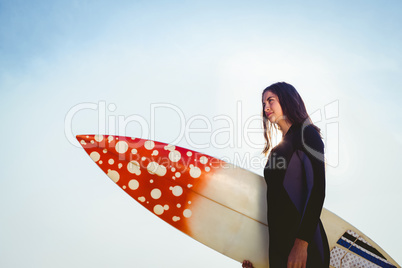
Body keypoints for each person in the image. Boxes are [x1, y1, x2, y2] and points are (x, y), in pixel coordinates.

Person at [243, 82, 330, 268]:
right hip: (279, 247)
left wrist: (301, 244)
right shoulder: (276, 150)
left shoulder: (307, 135)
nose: (266, 107)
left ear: (287, 100)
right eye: (263, 102)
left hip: (305, 248)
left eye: (270, 100)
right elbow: (274, 203)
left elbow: (317, 190)